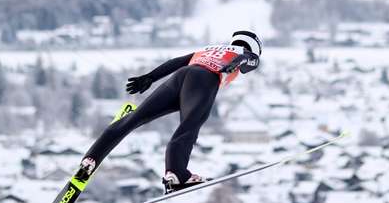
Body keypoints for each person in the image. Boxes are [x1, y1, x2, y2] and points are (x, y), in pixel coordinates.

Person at [76, 30, 262, 192]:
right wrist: (238, 61)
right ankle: (176, 174)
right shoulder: (243, 53)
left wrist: (149, 77)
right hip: (204, 80)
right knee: (189, 126)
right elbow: (250, 59)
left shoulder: (210, 49)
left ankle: (90, 159)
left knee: (135, 118)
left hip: (180, 77)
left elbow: (176, 62)